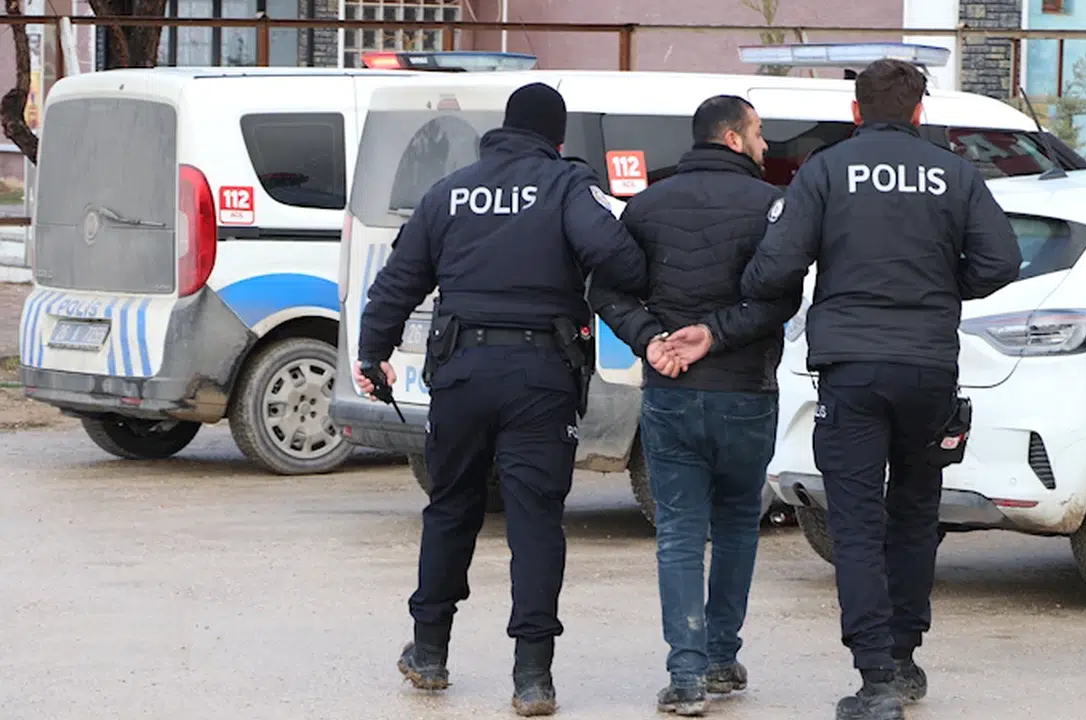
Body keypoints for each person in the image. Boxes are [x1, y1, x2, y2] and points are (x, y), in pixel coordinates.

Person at [718, 60, 1020, 720]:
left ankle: (875, 677)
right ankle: (905, 660)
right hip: (928, 369)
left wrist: (753, 282)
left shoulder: (827, 170)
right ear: (919, 112)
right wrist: (940, 288)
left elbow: (775, 268)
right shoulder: (954, 172)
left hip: (851, 369)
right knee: (915, 514)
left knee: (855, 523)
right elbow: (1001, 261)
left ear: (856, 112)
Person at [354, 82, 648, 717]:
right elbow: (620, 260)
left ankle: (428, 652)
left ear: (502, 130)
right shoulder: (567, 186)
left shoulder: (450, 190)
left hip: (462, 373)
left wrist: (373, 352)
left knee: (451, 509)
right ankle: (533, 678)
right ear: (556, 138)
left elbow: (398, 280)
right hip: (541, 376)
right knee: (536, 522)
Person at [588, 94, 802, 716]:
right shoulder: (770, 207)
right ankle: (720, 659)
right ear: (733, 138)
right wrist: (717, 333)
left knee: (680, 532)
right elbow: (781, 298)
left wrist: (651, 341)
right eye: (758, 133)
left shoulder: (647, 205)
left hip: (671, 394)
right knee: (736, 525)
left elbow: (605, 289)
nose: (766, 144)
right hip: (744, 393)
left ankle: (685, 677)